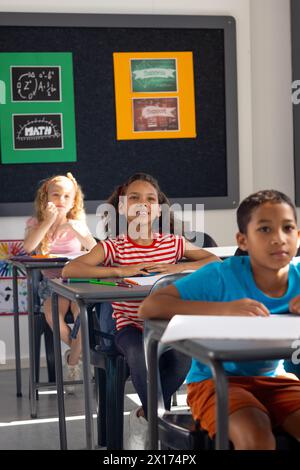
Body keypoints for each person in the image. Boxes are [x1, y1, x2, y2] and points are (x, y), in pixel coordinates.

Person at [62, 172, 219, 448]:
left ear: (158, 208)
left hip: (166, 326)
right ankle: (158, 431)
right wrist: (119, 270)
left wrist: (177, 267)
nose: (142, 204)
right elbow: (70, 269)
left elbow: (213, 260)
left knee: (183, 357)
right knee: (139, 353)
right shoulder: (114, 246)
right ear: (122, 207)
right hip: (129, 327)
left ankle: (146, 418)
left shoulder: (173, 243)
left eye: (150, 199)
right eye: (134, 198)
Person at [139, 189, 300, 450]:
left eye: (288, 228)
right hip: (215, 382)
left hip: (277, 381)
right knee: (256, 437)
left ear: (298, 235)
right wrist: (223, 309)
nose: (278, 239)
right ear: (243, 240)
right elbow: (150, 306)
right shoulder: (221, 276)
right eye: (265, 230)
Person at [23, 172, 96, 392]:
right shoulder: (35, 223)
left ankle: (72, 360)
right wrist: (47, 221)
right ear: (46, 198)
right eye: (56, 195)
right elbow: (29, 248)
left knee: (83, 314)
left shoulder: (78, 222)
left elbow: (95, 250)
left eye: (67, 196)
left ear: (74, 200)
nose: (61, 200)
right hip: (51, 284)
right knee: (52, 314)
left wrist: (76, 229)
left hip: (77, 281)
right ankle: (80, 354)